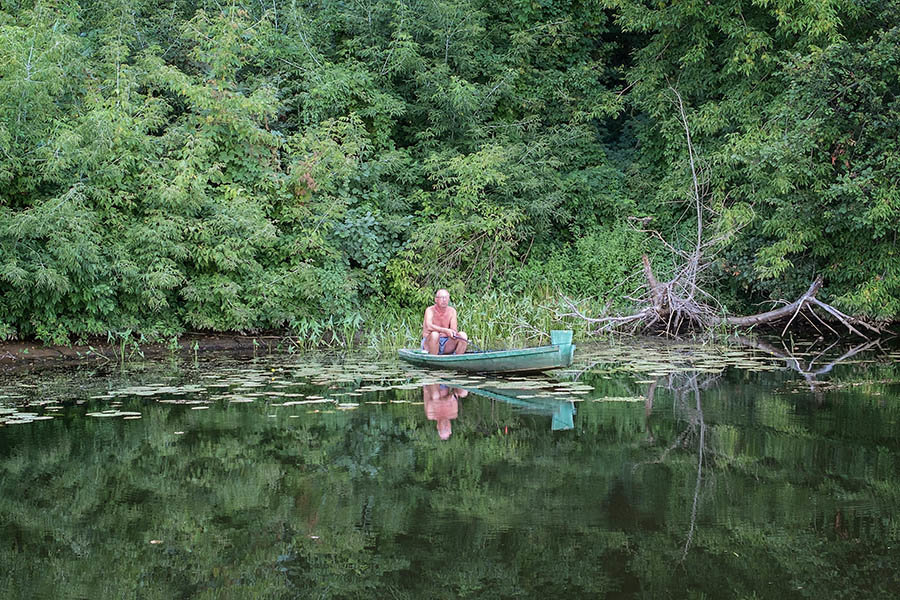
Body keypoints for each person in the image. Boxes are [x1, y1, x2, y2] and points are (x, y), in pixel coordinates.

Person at [421, 288, 468, 355]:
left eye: (446, 298)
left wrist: (451, 333)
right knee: (435, 334)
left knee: (463, 335)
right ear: (436, 299)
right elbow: (429, 326)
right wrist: (445, 331)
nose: (444, 300)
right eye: (442, 298)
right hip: (430, 343)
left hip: (446, 343)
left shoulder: (452, 311)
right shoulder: (430, 310)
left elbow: (453, 330)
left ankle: (456, 360)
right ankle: (434, 359)